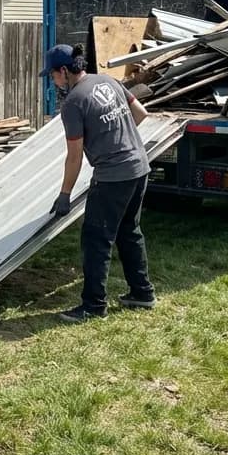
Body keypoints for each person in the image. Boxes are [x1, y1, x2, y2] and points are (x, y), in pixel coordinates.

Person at [44, 43, 157, 322]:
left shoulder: (74, 102)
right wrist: (117, 137)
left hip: (113, 177)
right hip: (139, 167)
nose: (53, 80)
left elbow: (74, 157)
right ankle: (142, 293)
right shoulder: (108, 80)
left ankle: (93, 306)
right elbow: (140, 113)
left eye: (52, 75)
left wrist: (64, 194)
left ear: (64, 71)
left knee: (96, 240)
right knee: (129, 231)